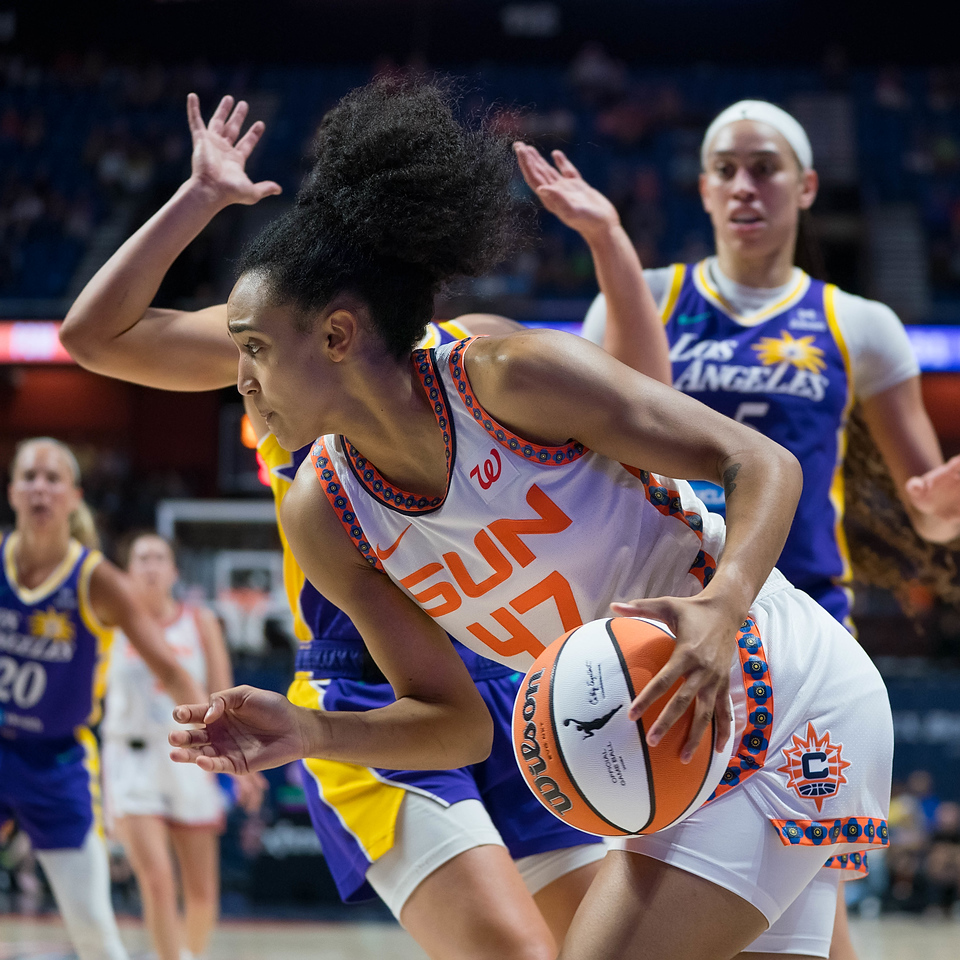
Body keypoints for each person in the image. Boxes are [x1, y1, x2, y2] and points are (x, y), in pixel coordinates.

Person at [166, 78, 893, 960]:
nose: (239, 379)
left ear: (337, 336)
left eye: (253, 348)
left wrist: (723, 604)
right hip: (667, 734)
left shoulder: (506, 377)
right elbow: (459, 722)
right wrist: (313, 730)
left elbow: (760, 462)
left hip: (785, 688)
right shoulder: (322, 513)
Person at [59, 92, 637, 959]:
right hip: (368, 688)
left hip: (515, 679)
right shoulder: (280, 341)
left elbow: (637, 397)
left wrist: (607, 243)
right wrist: (199, 198)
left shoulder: (471, 359)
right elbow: (93, 337)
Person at [576, 99, 960, 957]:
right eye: (725, 169)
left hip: (807, 629)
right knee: (754, 898)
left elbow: (928, 511)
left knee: (799, 890)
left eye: (765, 167)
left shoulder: (861, 325)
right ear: (703, 190)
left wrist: (945, 497)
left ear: (808, 186)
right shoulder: (639, 302)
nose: (744, 185)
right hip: (668, 615)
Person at [0, 438, 205, 960]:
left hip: (57, 762)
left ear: (74, 497)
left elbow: (170, 667)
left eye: (52, 479)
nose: (40, 487)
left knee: (93, 931)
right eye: (29, 476)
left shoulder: (99, 581)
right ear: (12, 491)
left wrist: (215, 728)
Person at [101, 532, 265, 960]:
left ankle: (189, 955)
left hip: (193, 758)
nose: (151, 566)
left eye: (159, 558)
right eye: (142, 558)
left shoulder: (200, 622)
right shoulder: (110, 621)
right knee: (156, 880)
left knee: (202, 890)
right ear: (127, 571)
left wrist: (246, 765)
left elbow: (224, 695)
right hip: (132, 757)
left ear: (174, 571)